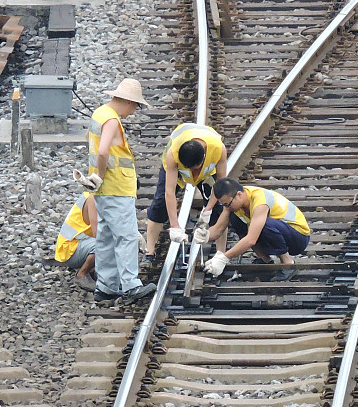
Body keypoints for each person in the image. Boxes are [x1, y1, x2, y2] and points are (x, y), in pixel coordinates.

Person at [79, 78, 156, 303]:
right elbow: (103, 152)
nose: (133, 111)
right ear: (129, 102)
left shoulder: (99, 113)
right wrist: (100, 177)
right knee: (126, 236)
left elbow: (90, 141)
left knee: (106, 237)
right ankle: (131, 285)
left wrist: (95, 177)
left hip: (104, 190)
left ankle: (106, 286)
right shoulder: (112, 120)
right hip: (115, 187)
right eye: (136, 106)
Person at [142, 122, 227, 267]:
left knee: (220, 207)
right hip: (176, 170)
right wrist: (175, 225)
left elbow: (221, 185)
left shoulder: (219, 149)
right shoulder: (172, 154)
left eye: (195, 168)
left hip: (207, 174)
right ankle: (149, 252)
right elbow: (169, 192)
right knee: (160, 203)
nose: (193, 173)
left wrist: (208, 210)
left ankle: (221, 255)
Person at [198, 177, 310, 278]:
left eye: (227, 204)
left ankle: (288, 264)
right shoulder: (234, 201)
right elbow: (218, 228)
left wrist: (224, 258)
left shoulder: (260, 201)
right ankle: (265, 261)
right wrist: (206, 235)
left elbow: (251, 239)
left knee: (264, 224)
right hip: (282, 233)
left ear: (239, 195)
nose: (227, 207)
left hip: (298, 237)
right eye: (224, 205)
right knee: (236, 218)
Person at [53, 192, 97, 292]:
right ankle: (82, 274)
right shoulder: (93, 198)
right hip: (69, 250)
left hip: (82, 243)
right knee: (104, 245)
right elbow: (98, 233)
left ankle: (95, 270)